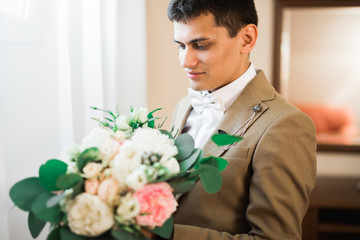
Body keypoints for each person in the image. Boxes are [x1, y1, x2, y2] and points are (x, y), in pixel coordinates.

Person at [167, 0, 317, 239]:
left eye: (201, 45)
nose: (186, 61)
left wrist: (166, 235)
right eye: (181, 46)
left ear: (247, 38)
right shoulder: (184, 106)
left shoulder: (286, 125)